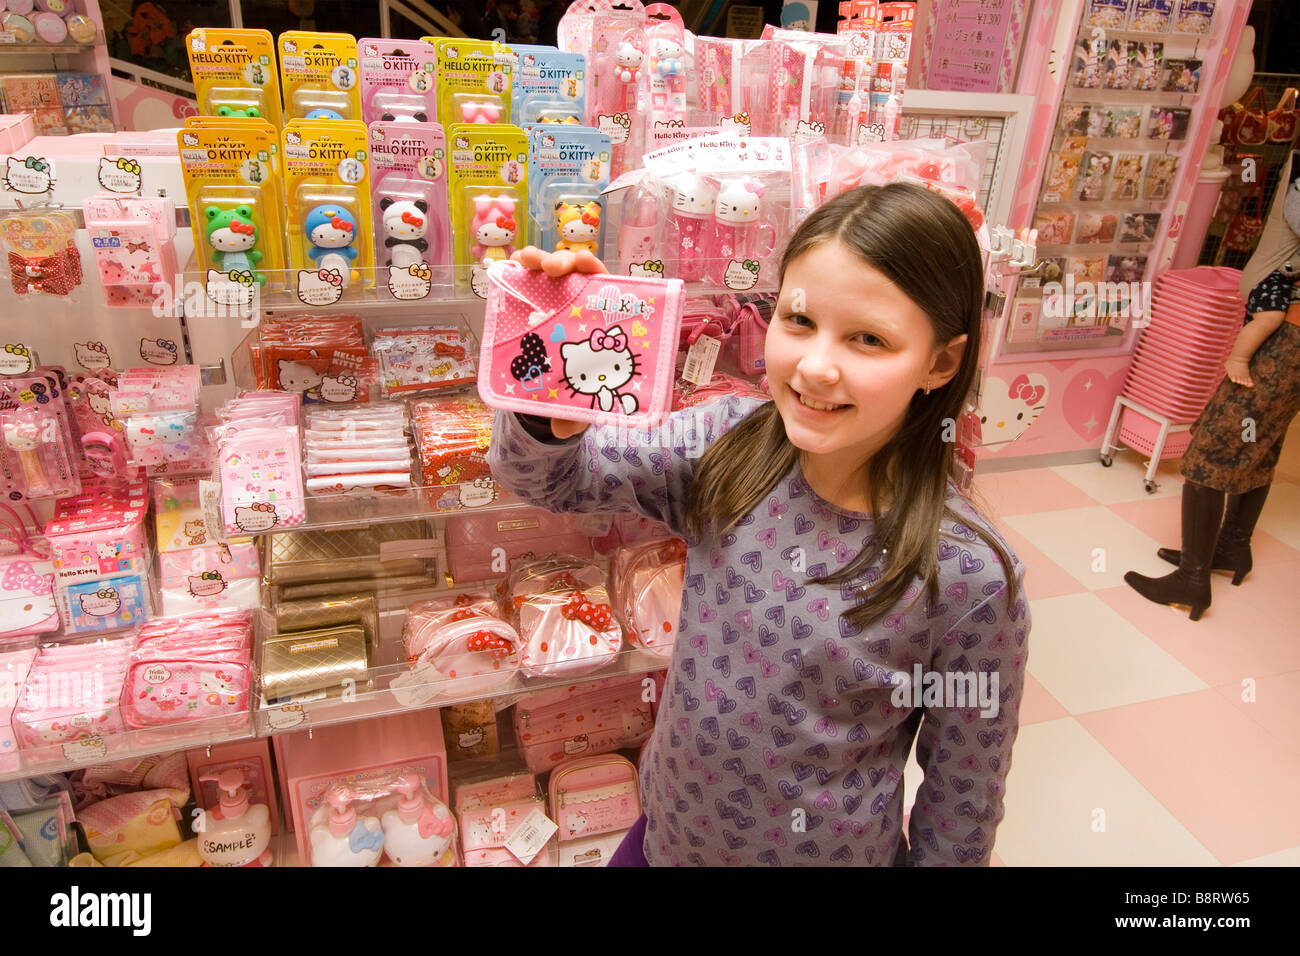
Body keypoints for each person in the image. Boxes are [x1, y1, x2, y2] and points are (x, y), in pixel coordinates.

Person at [487, 182, 1031, 866]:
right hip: (666, 842)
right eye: (798, 321)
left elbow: (963, 802)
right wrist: (552, 392)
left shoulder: (968, 576)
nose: (815, 366)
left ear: (942, 362)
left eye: (869, 339)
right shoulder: (725, 443)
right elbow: (545, 478)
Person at [1125, 150, 1300, 620]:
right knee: (1260, 442)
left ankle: (1193, 580)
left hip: (1286, 341)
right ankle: (1230, 550)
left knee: (1211, 448)